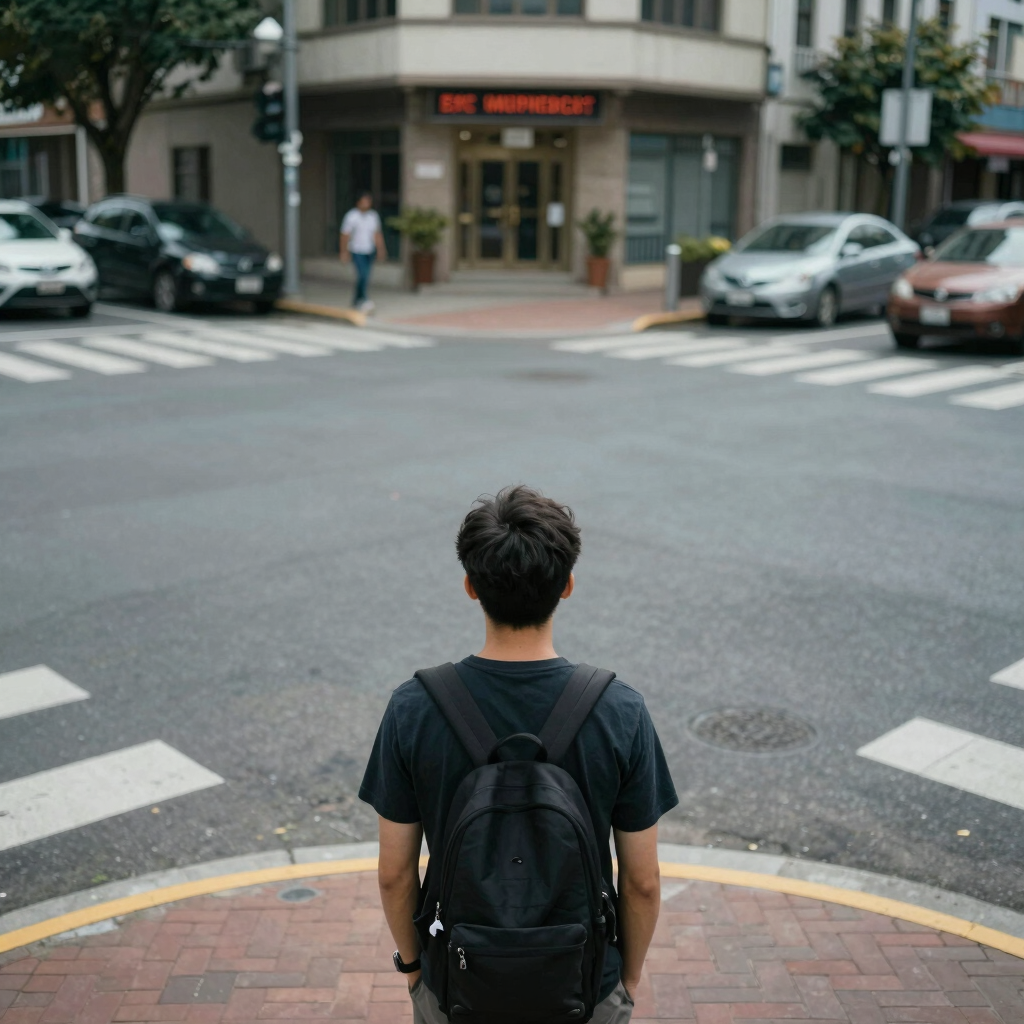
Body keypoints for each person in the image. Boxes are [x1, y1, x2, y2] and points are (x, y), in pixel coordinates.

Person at [359, 485, 678, 1024]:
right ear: (568, 585)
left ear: (469, 587)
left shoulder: (414, 708)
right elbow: (642, 881)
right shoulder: (619, 710)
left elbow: (395, 873)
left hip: (457, 981)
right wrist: (622, 983)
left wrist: (416, 972)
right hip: (582, 982)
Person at [339, 191, 386, 312]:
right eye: (363, 202)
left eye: (368, 202)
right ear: (358, 203)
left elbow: (377, 234)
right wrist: (344, 252)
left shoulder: (373, 216)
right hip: (356, 250)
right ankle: (364, 299)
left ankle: (356, 300)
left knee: (365, 276)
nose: (366, 204)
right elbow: (345, 235)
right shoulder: (351, 216)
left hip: (369, 250)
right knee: (362, 275)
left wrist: (381, 249)